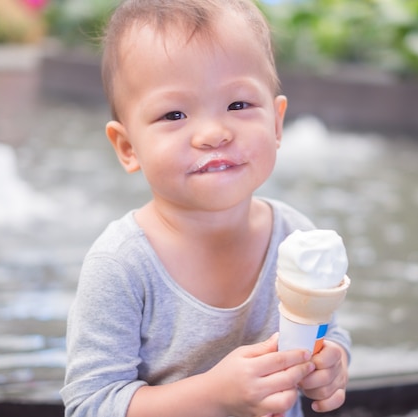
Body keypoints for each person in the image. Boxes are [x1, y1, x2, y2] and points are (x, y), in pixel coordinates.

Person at [60, 0, 351, 416]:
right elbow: (90, 405)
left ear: (275, 122)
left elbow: (331, 333)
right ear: (127, 147)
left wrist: (331, 364)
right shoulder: (122, 265)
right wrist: (213, 395)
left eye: (238, 105)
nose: (213, 134)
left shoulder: (295, 237)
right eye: (173, 114)